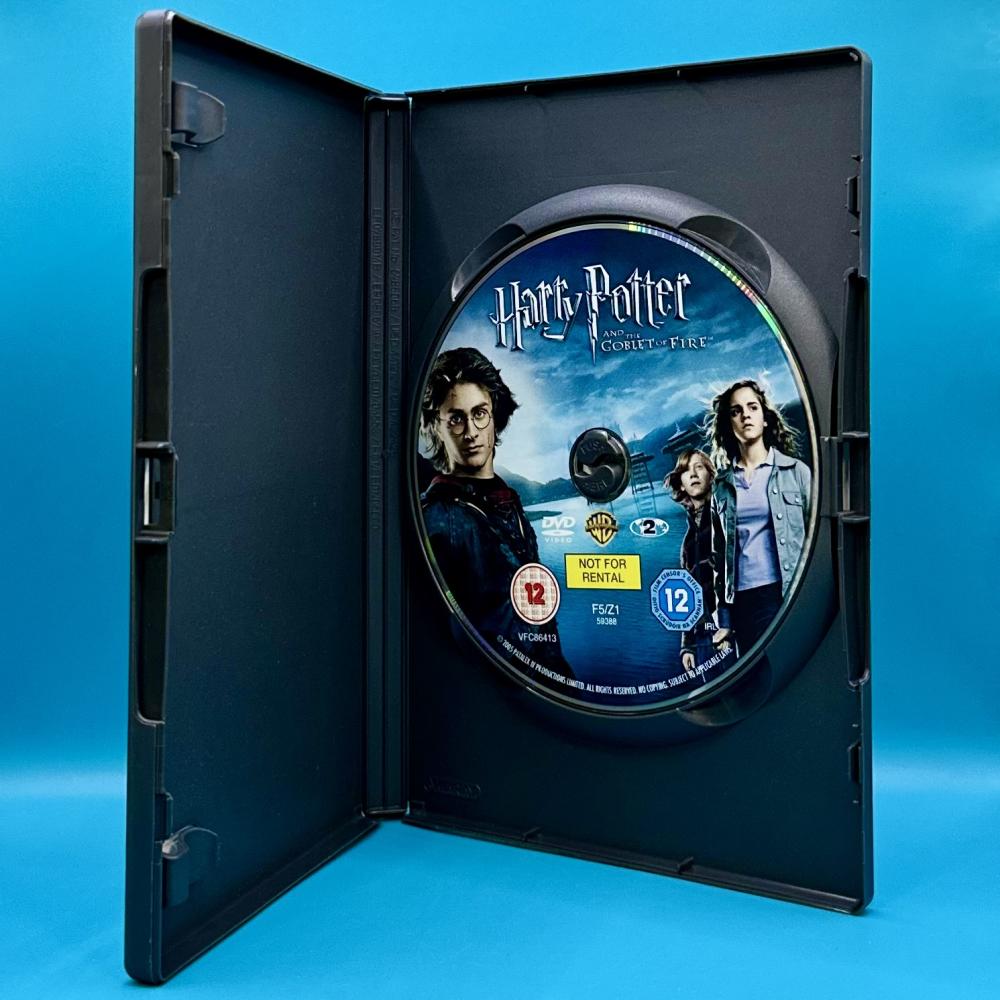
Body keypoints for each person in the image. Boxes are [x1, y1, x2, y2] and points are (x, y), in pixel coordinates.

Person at [419, 347, 572, 676]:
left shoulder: (508, 501)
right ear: (436, 426)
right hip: (491, 684)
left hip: (546, 680)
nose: (471, 431)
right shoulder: (437, 517)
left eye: (480, 413)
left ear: (495, 415)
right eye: (455, 419)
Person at [708, 378, 811, 654]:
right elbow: (719, 559)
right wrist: (724, 618)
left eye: (753, 407)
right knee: (753, 675)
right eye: (736, 411)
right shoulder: (721, 487)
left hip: (782, 593)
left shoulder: (797, 473)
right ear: (729, 424)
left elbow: (820, 542)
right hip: (740, 601)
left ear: (765, 418)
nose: (745, 415)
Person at [665, 449, 733, 678]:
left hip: (730, 629)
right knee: (712, 692)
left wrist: (728, 624)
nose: (693, 474)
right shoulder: (687, 542)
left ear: (711, 476)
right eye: (686, 470)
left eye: (699, 467)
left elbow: (736, 575)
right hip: (703, 636)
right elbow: (687, 596)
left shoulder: (725, 519)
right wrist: (687, 646)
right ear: (681, 485)